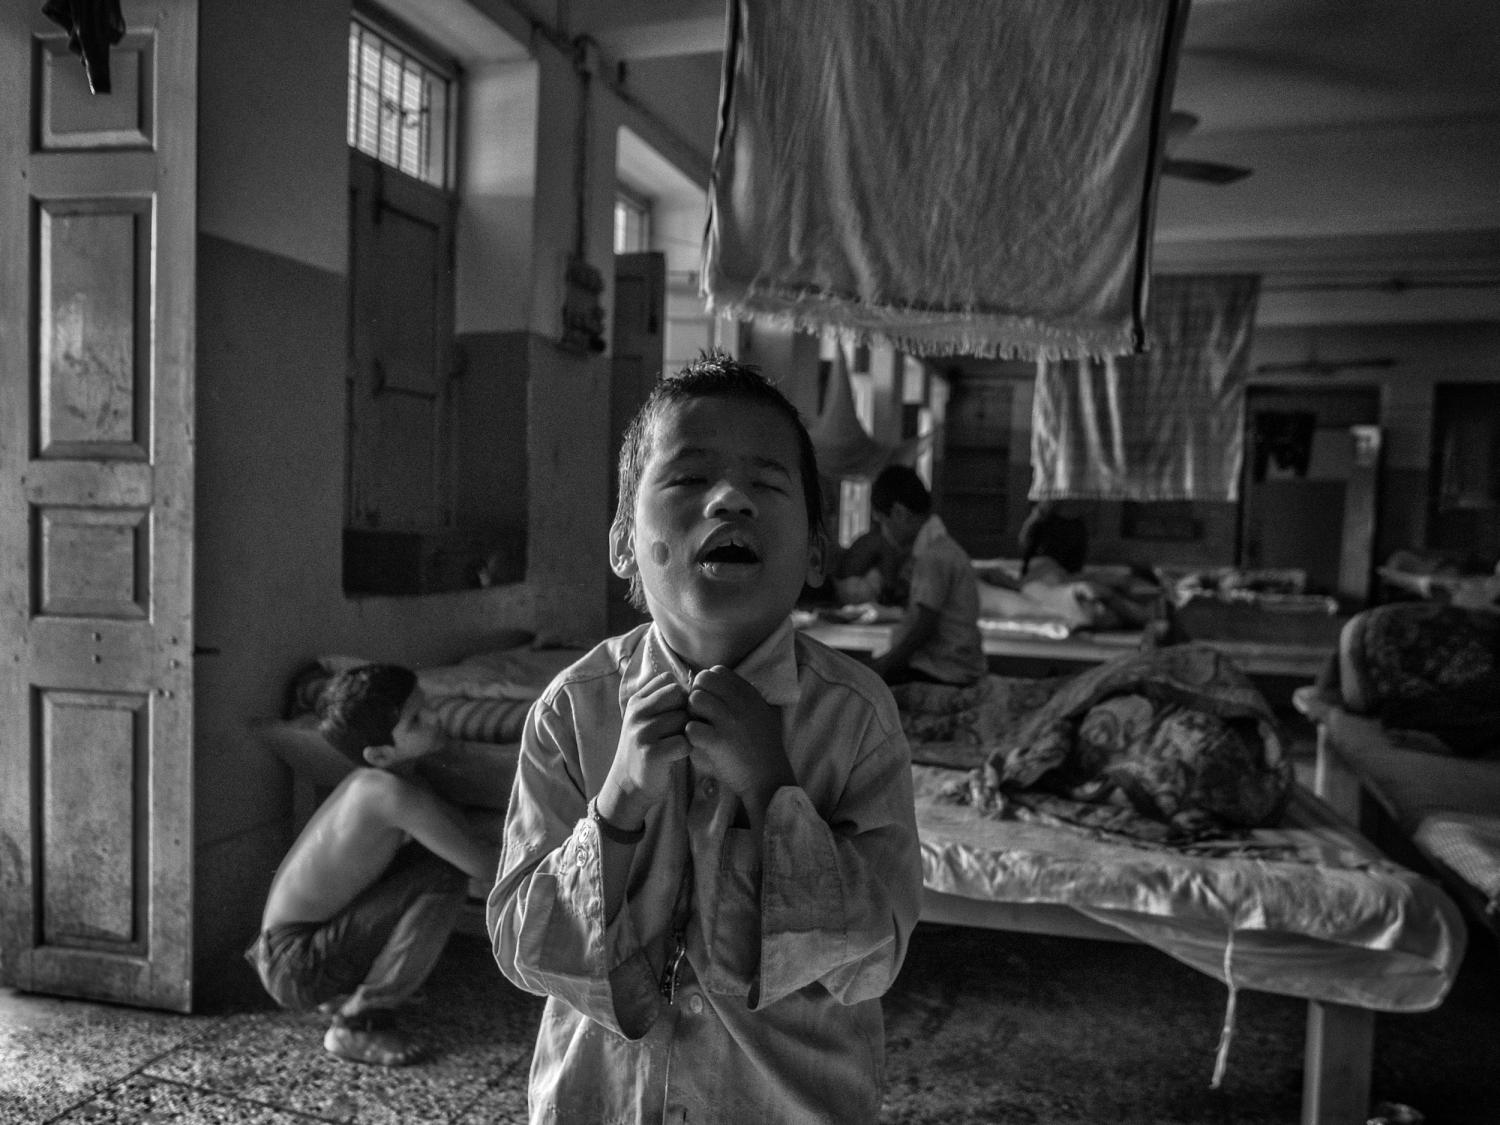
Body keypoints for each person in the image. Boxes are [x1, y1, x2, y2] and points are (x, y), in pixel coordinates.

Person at [488, 352, 923, 1124]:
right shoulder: (572, 711)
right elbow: (522, 943)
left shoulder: (855, 717)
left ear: (816, 552)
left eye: (766, 483)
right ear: (623, 542)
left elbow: (875, 956)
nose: (730, 499)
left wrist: (773, 788)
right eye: (689, 479)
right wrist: (618, 803)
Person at [245, 663, 499, 1067]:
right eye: (415, 721)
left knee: (434, 857)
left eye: (426, 705)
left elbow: (456, 831)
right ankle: (359, 1023)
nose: (435, 718)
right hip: (295, 964)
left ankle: (348, 994)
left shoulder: (384, 779)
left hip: (289, 951)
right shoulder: (387, 793)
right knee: (444, 872)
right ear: (380, 754)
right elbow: (484, 866)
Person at [865, 464, 986, 686]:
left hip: (945, 671)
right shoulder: (938, 548)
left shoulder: (933, 556)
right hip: (951, 665)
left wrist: (883, 666)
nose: (884, 532)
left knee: (865, 685)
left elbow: (923, 628)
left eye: (882, 522)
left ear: (899, 513)